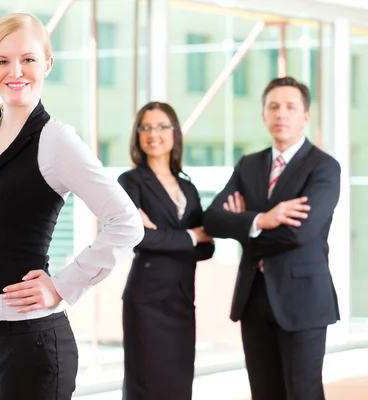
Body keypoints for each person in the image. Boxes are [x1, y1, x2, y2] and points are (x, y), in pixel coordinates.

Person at [0, 12, 143, 400]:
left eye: (28, 59)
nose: (16, 71)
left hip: (29, 344)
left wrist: (62, 286)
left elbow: (126, 222)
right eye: (3, 60)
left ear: (47, 63)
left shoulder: (57, 141)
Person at [203, 76, 340, 400]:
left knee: (303, 393)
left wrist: (243, 226)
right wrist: (262, 219)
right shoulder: (249, 165)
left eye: (290, 107)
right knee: (264, 393)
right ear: (264, 115)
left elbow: (298, 233)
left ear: (305, 116)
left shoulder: (323, 168)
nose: (281, 114)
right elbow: (212, 219)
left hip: (303, 300)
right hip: (255, 300)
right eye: (273, 107)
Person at [117, 101, 215, 400]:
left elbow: (207, 247)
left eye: (161, 126)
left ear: (174, 133)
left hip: (183, 298)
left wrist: (165, 236)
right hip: (147, 301)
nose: (153, 134)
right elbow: (138, 238)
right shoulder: (130, 181)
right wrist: (190, 236)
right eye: (145, 127)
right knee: (145, 385)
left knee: (179, 384)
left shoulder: (188, 187)